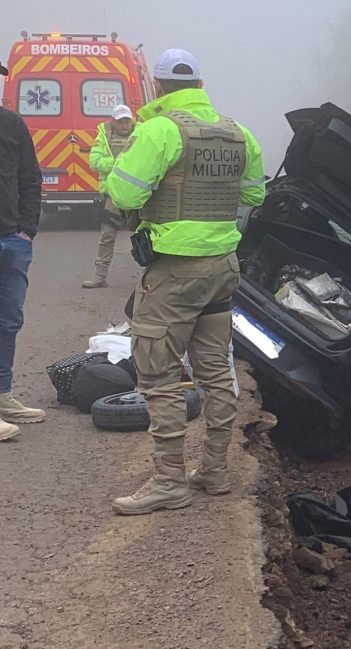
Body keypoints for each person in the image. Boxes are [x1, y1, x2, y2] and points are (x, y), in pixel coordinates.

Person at [103, 48, 265, 514]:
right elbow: (255, 193)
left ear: (157, 87)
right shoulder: (240, 133)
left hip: (174, 272)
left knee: (158, 374)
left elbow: (124, 191)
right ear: (199, 84)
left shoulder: (159, 129)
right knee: (214, 370)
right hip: (223, 267)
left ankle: (169, 480)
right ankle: (214, 470)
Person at [0, 56, 44, 442]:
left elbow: (30, 178)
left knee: (8, 322)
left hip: (11, 240)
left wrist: (26, 229)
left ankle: (2, 396)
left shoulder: (12, 124)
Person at [82, 103, 136, 289]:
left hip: (139, 194)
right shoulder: (103, 136)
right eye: (120, 122)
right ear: (112, 122)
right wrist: (120, 162)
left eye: (127, 121)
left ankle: (151, 281)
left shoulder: (143, 134)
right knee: (107, 236)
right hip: (113, 193)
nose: (124, 125)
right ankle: (100, 276)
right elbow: (95, 162)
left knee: (147, 236)